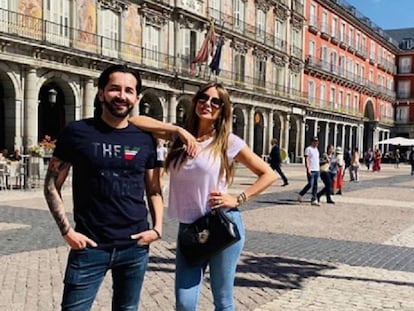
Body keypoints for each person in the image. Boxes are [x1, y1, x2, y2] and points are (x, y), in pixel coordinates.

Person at [43, 64, 196, 311]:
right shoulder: (78, 132)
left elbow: (154, 189)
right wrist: (67, 231)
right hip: (90, 247)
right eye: (114, 89)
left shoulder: (145, 139)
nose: (122, 96)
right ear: (101, 93)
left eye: (128, 90)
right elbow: (51, 185)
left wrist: (156, 229)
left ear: (136, 97)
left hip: (134, 247)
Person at [130, 82, 276, 311]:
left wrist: (238, 198)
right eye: (203, 98)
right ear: (196, 101)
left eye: (215, 102)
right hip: (189, 228)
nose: (207, 104)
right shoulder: (179, 138)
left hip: (220, 224)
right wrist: (177, 130)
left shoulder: (228, 141)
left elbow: (268, 174)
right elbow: (134, 122)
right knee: (184, 303)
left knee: (223, 300)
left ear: (222, 110)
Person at [298, 136, 320, 206]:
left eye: (317, 141)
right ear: (312, 142)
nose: (316, 142)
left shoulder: (316, 149)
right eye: (315, 141)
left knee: (315, 185)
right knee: (310, 184)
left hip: (317, 169)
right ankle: (301, 194)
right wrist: (308, 168)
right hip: (311, 169)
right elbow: (307, 159)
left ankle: (314, 199)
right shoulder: (308, 149)